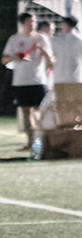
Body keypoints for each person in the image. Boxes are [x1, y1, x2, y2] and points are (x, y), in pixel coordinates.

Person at [5, 13, 51, 144]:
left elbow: (51, 59)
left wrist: (45, 53)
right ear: (22, 24)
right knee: (26, 112)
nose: (32, 25)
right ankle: (32, 143)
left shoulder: (41, 38)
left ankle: (41, 141)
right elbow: (4, 59)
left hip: (38, 80)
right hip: (21, 81)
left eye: (34, 22)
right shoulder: (14, 39)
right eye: (29, 22)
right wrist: (15, 57)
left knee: (39, 112)